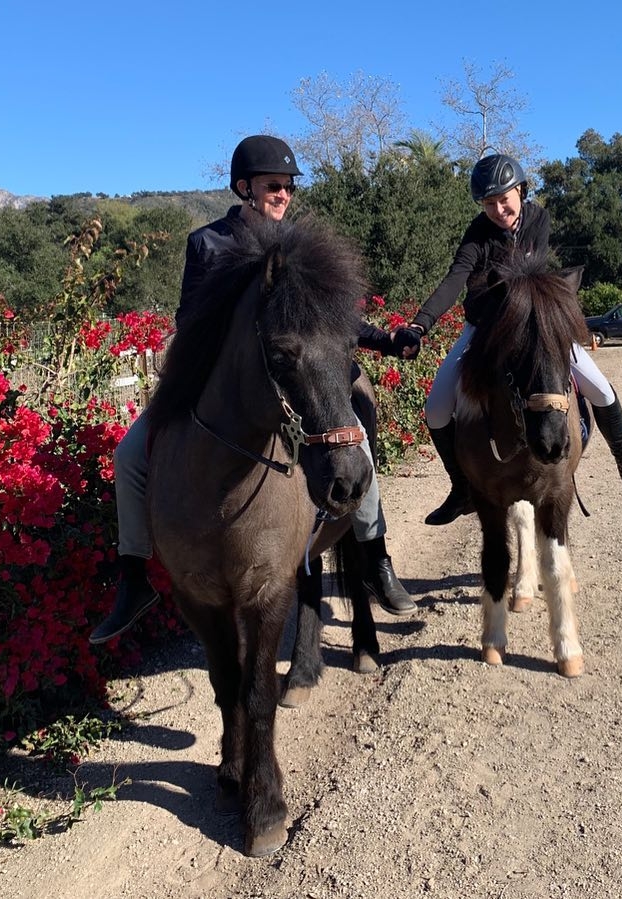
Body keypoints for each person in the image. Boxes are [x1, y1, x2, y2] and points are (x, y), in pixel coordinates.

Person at [90, 135, 417, 644]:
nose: (283, 194)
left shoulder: (301, 248)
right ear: (244, 187)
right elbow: (188, 318)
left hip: (288, 379)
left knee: (350, 433)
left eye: (288, 186)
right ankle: (133, 578)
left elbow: (332, 319)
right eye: (273, 185)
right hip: (220, 383)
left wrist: (384, 340)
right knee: (130, 455)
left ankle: (373, 554)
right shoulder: (208, 243)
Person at [399, 153, 622, 526]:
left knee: (601, 389)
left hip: (535, 323)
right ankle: (461, 487)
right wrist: (419, 325)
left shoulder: (539, 218)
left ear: (521, 191)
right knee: (435, 407)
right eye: (488, 202)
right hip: (485, 328)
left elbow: (532, 277)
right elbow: (455, 278)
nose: (497, 209)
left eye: (504, 198)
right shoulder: (477, 233)